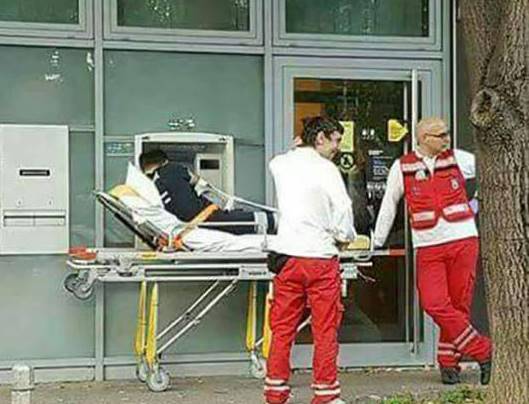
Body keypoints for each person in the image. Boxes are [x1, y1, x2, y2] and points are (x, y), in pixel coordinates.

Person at [373, 117, 493, 385]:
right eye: (441, 135)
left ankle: (448, 363)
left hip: (463, 240)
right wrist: (377, 241)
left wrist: (475, 205)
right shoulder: (402, 167)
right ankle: (483, 350)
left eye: (447, 134)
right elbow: (389, 204)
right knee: (434, 303)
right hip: (427, 245)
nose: (447, 139)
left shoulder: (458, 158)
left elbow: (491, 171)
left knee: (458, 306)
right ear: (424, 138)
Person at [264, 116, 357, 404]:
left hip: (288, 256)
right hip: (320, 257)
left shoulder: (280, 164)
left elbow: (279, 160)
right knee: (325, 329)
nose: (337, 147)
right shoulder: (327, 169)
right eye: (335, 140)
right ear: (320, 139)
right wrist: (345, 237)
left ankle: (275, 391)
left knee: (282, 328)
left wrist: (296, 147)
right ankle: (325, 393)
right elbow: (344, 210)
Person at [139, 149, 275, 235]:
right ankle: (275, 221)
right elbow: (199, 183)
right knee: (239, 220)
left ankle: (273, 222)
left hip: (187, 224)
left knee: (233, 220)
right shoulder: (173, 168)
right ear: (165, 161)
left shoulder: (151, 187)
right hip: (202, 216)